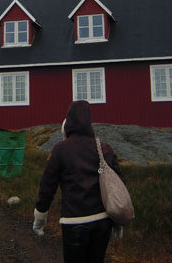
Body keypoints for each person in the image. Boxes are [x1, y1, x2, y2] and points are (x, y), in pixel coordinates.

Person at [33, 100, 126, 263]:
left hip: (74, 222)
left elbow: (47, 186)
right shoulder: (104, 148)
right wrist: (118, 221)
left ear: (67, 124)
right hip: (103, 222)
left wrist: (41, 215)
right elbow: (119, 184)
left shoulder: (60, 150)